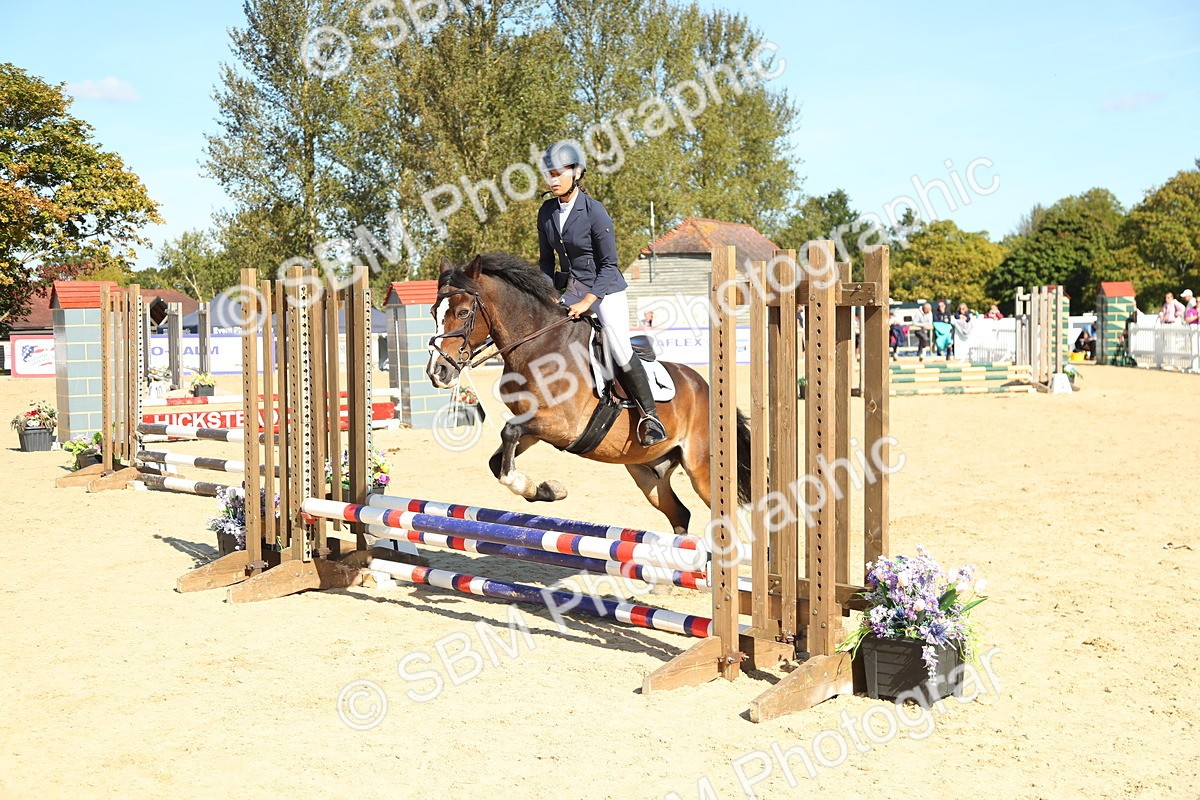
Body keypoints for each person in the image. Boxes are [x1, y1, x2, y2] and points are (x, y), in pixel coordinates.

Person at [537, 140, 667, 447]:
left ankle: (651, 417)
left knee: (620, 349)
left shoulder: (595, 212)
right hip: (571, 288)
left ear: (576, 173)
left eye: (559, 173)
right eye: (549, 174)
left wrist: (587, 301)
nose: (553, 179)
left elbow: (610, 264)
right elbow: (546, 261)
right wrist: (546, 294)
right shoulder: (546, 212)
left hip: (605, 290)